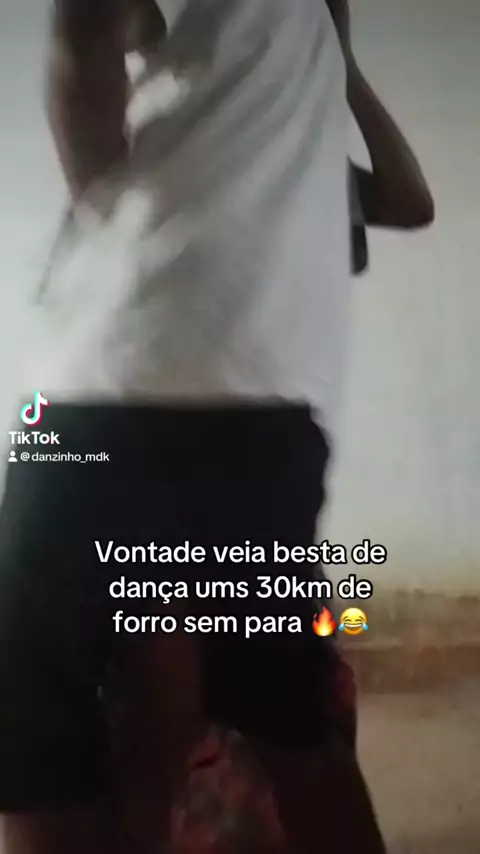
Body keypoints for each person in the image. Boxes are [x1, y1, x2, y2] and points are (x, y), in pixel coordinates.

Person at [0, 3, 434, 854]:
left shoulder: (278, 153)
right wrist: (339, 63)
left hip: (102, 401)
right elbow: (408, 200)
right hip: (249, 427)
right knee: (270, 721)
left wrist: (107, 222)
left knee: (54, 737)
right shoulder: (254, 136)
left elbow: (86, 30)